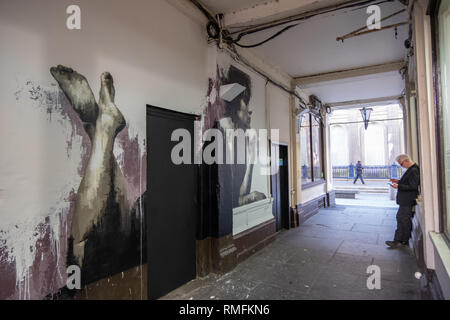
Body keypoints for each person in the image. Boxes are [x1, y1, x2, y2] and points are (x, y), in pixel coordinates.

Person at [385, 154, 420, 248]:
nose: (401, 166)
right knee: (402, 219)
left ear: (406, 161)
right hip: (406, 200)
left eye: (401, 164)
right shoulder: (411, 169)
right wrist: (398, 181)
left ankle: (400, 241)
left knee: (403, 219)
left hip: (407, 200)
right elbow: (408, 182)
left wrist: (398, 186)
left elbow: (412, 186)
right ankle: (401, 240)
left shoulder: (414, 170)